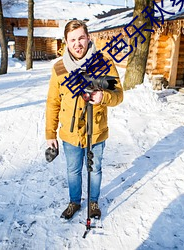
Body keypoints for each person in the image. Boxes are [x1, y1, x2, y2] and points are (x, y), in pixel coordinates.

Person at [45, 20, 123, 220]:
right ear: (66, 42)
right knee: (73, 170)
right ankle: (74, 202)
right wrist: (50, 134)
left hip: (96, 129)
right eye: (72, 40)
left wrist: (103, 97)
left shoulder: (104, 61)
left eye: (81, 38)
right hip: (70, 133)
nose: (77, 43)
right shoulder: (60, 68)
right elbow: (53, 102)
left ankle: (94, 202)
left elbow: (118, 94)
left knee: (94, 168)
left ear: (89, 38)